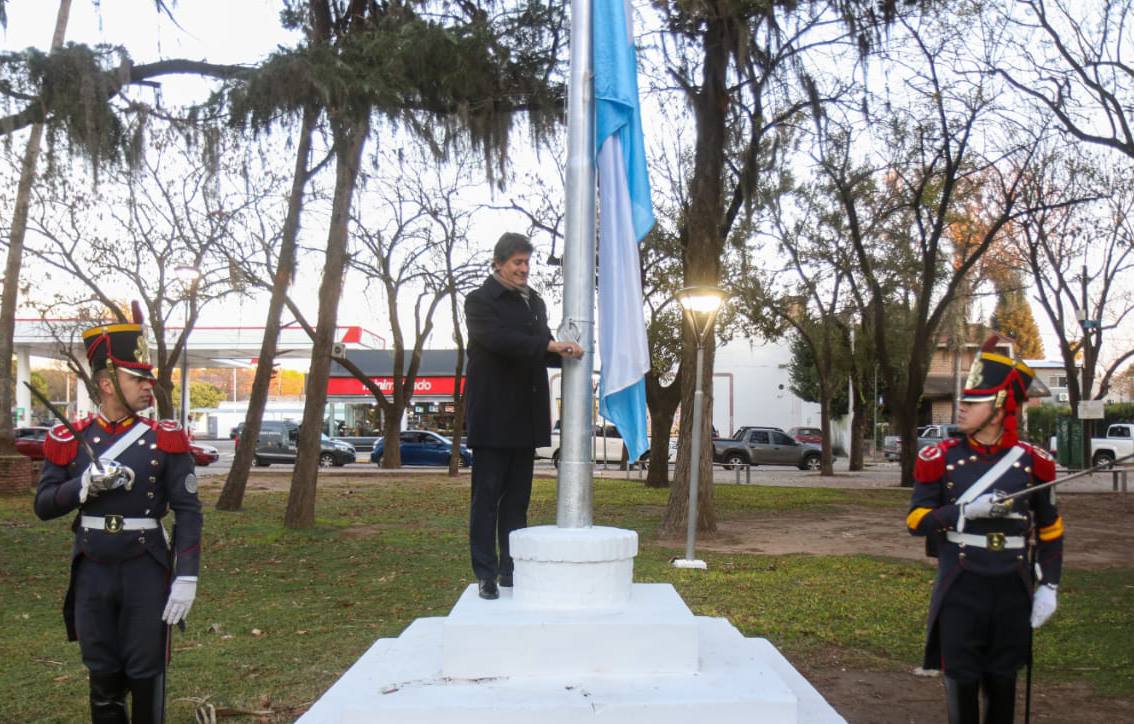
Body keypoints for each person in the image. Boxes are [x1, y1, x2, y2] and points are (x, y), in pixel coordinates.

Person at [34, 313, 202, 724]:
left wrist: (187, 575)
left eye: (149, 379)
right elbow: (43, 506)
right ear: (108, 383)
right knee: (102, 670)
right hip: (92, 567)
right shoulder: (70, 439)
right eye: (137, 379)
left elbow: (187, 510)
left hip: (145, 566)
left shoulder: (166, 437)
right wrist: (84, 486)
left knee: (146, 671)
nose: (149, 386)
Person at [906, 336, 1064, 724]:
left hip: (1011, 584)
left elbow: (1051, 529)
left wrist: (1049, 586)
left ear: (999, 409)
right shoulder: (939, 458)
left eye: (973, 403)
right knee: (961, 678)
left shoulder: (1034, 463)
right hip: (962, 582)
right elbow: (915, 521)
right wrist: (962, 512)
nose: (961, 409)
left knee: (1003, 679)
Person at [463, 232, 583, 599]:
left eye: (527, 262)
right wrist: (546, 345)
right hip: (492, 416)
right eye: (517, 262)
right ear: (499, 263)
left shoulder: (535, 303)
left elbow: (538, 350)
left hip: (525, 418)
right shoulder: (479, 301)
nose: (524, 269)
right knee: (486, 500)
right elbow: (500, 341)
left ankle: (511, 569)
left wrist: (566, 352)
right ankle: (485, 572)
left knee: (517, 502)